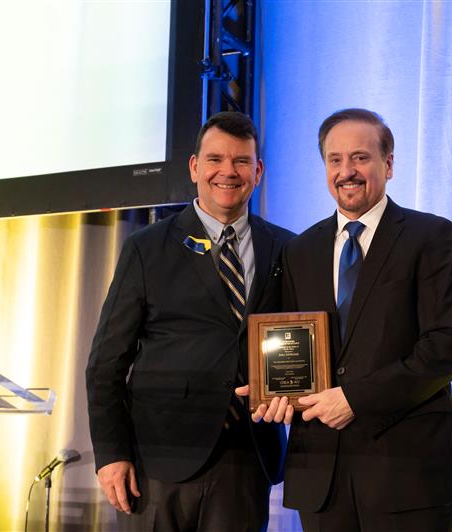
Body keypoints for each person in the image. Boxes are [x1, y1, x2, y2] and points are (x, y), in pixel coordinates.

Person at [240, 108, 452, 531]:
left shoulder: (431, 236)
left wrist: (355, 399)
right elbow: (293, 346)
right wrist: (273, 391)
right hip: (322, 479)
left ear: (388, 164)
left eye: (360, 157)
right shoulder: (300, 251)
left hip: (408, 475)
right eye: (335, 159)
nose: (346, 171)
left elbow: (451, 345)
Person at [86, 111, 294, 531]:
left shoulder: (287, 248)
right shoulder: (146, 248)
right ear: (195, 166)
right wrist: (111, 455)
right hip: (159, 458)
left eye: (241, 161)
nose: (228, 172)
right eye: (216, 159)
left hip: (247, 456)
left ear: (258, 171)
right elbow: (106, 363)